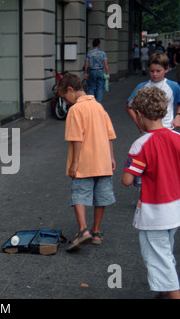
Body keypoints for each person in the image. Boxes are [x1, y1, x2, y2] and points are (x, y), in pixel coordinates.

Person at [122, 86, 180, 299]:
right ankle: (163, 292)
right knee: (165, 250)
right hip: (176, 207)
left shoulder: (141, 144)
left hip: (153, 212)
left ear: (140, 115)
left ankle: (174, 295)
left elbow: (127, 181)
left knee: (158, 257)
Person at [54, 73, 116, 252]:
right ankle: (96, 231)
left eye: (65, 97)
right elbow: (110, 135)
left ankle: (83, 230)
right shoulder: (98, 106)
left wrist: (74, 163)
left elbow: (76, 138)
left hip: (84, 162)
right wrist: (111, 157)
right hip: (103, 160)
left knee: (79, 194)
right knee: (101, 196)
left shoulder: (75, 110)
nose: (66, 102)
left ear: (71, 90)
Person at [126, 52, 180, 133]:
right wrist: (139, 124)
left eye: (158, 71)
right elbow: (128, 106)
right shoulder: (142, 86)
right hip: (148, 131)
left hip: (168, 128)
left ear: (166, 69)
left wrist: (179, 116)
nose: (155, 74)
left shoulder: (173, 86)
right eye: (151, 71)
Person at [84, 39, 110, 103]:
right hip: (100, 71)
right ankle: (98, 103)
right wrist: (107, 73)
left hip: (92, 71)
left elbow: (86, 64)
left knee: (91, 88)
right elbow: (106, 64)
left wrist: (85, 73)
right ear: (99, 45)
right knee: (100, 88)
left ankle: (92, 102)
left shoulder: (89, 53)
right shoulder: (102, 53)